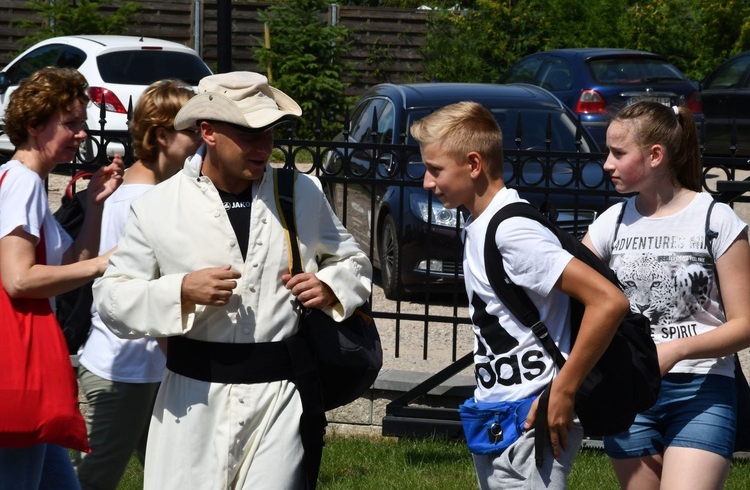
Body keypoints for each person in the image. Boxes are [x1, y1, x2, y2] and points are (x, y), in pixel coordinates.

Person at [92, 71, 372, 490]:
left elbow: (353, 260)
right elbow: (111, 298)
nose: (263, 146)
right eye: (248, 133)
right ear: (208, 132)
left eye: (269, 133)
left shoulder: (301, 192)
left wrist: (332, 284)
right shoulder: (157, 207)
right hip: (189, 404)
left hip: (279, 399)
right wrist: (181, 290)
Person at [410, 101, 629, 489]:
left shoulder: (511, 232)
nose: (427, 181)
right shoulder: (476, 224)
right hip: (500, 414)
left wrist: (562, 389)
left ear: (474, 164)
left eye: (435, 170)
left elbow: (609, 301)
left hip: (533, 416)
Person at [582, 101, 750, 490]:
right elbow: (571, 290)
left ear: (656, 156)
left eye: (618, 153)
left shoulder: (716, 219)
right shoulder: (612, 222)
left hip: (703, 391)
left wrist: (674, 350)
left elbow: (745, 325)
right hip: (629, 392)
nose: (607, 163)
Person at [0, 67, 123, 488]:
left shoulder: (21, 179)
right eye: (70, 123)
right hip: (20, 364)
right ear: (35, 126)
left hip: (24, 364)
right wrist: (105, 263)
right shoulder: (24, 184)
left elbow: (69, 263)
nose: (82, 133)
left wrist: (95, 206)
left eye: (83, 122)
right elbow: (18, 280)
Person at [75, 79, 200, 490]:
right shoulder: (139, 203)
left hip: (146, 370)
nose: (203, 140)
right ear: (162, 136)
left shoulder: (143, 191)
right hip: (122, 373)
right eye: (193, 130)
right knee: (92, 482)